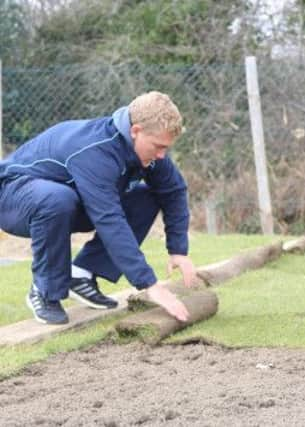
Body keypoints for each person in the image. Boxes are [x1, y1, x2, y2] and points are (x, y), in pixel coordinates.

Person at [0, 91, 195, 325]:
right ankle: (46, 290)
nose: (162, 155)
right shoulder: (96, 151)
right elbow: (109, 218)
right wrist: (149, 284)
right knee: (57, 198)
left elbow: (173, 191)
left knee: (147, 197)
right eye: (158, 146)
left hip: (69, 201)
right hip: (12, 197)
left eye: (166, 148)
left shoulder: (149, 152)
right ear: (136, 131)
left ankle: (81, 275)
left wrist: (178, 250)